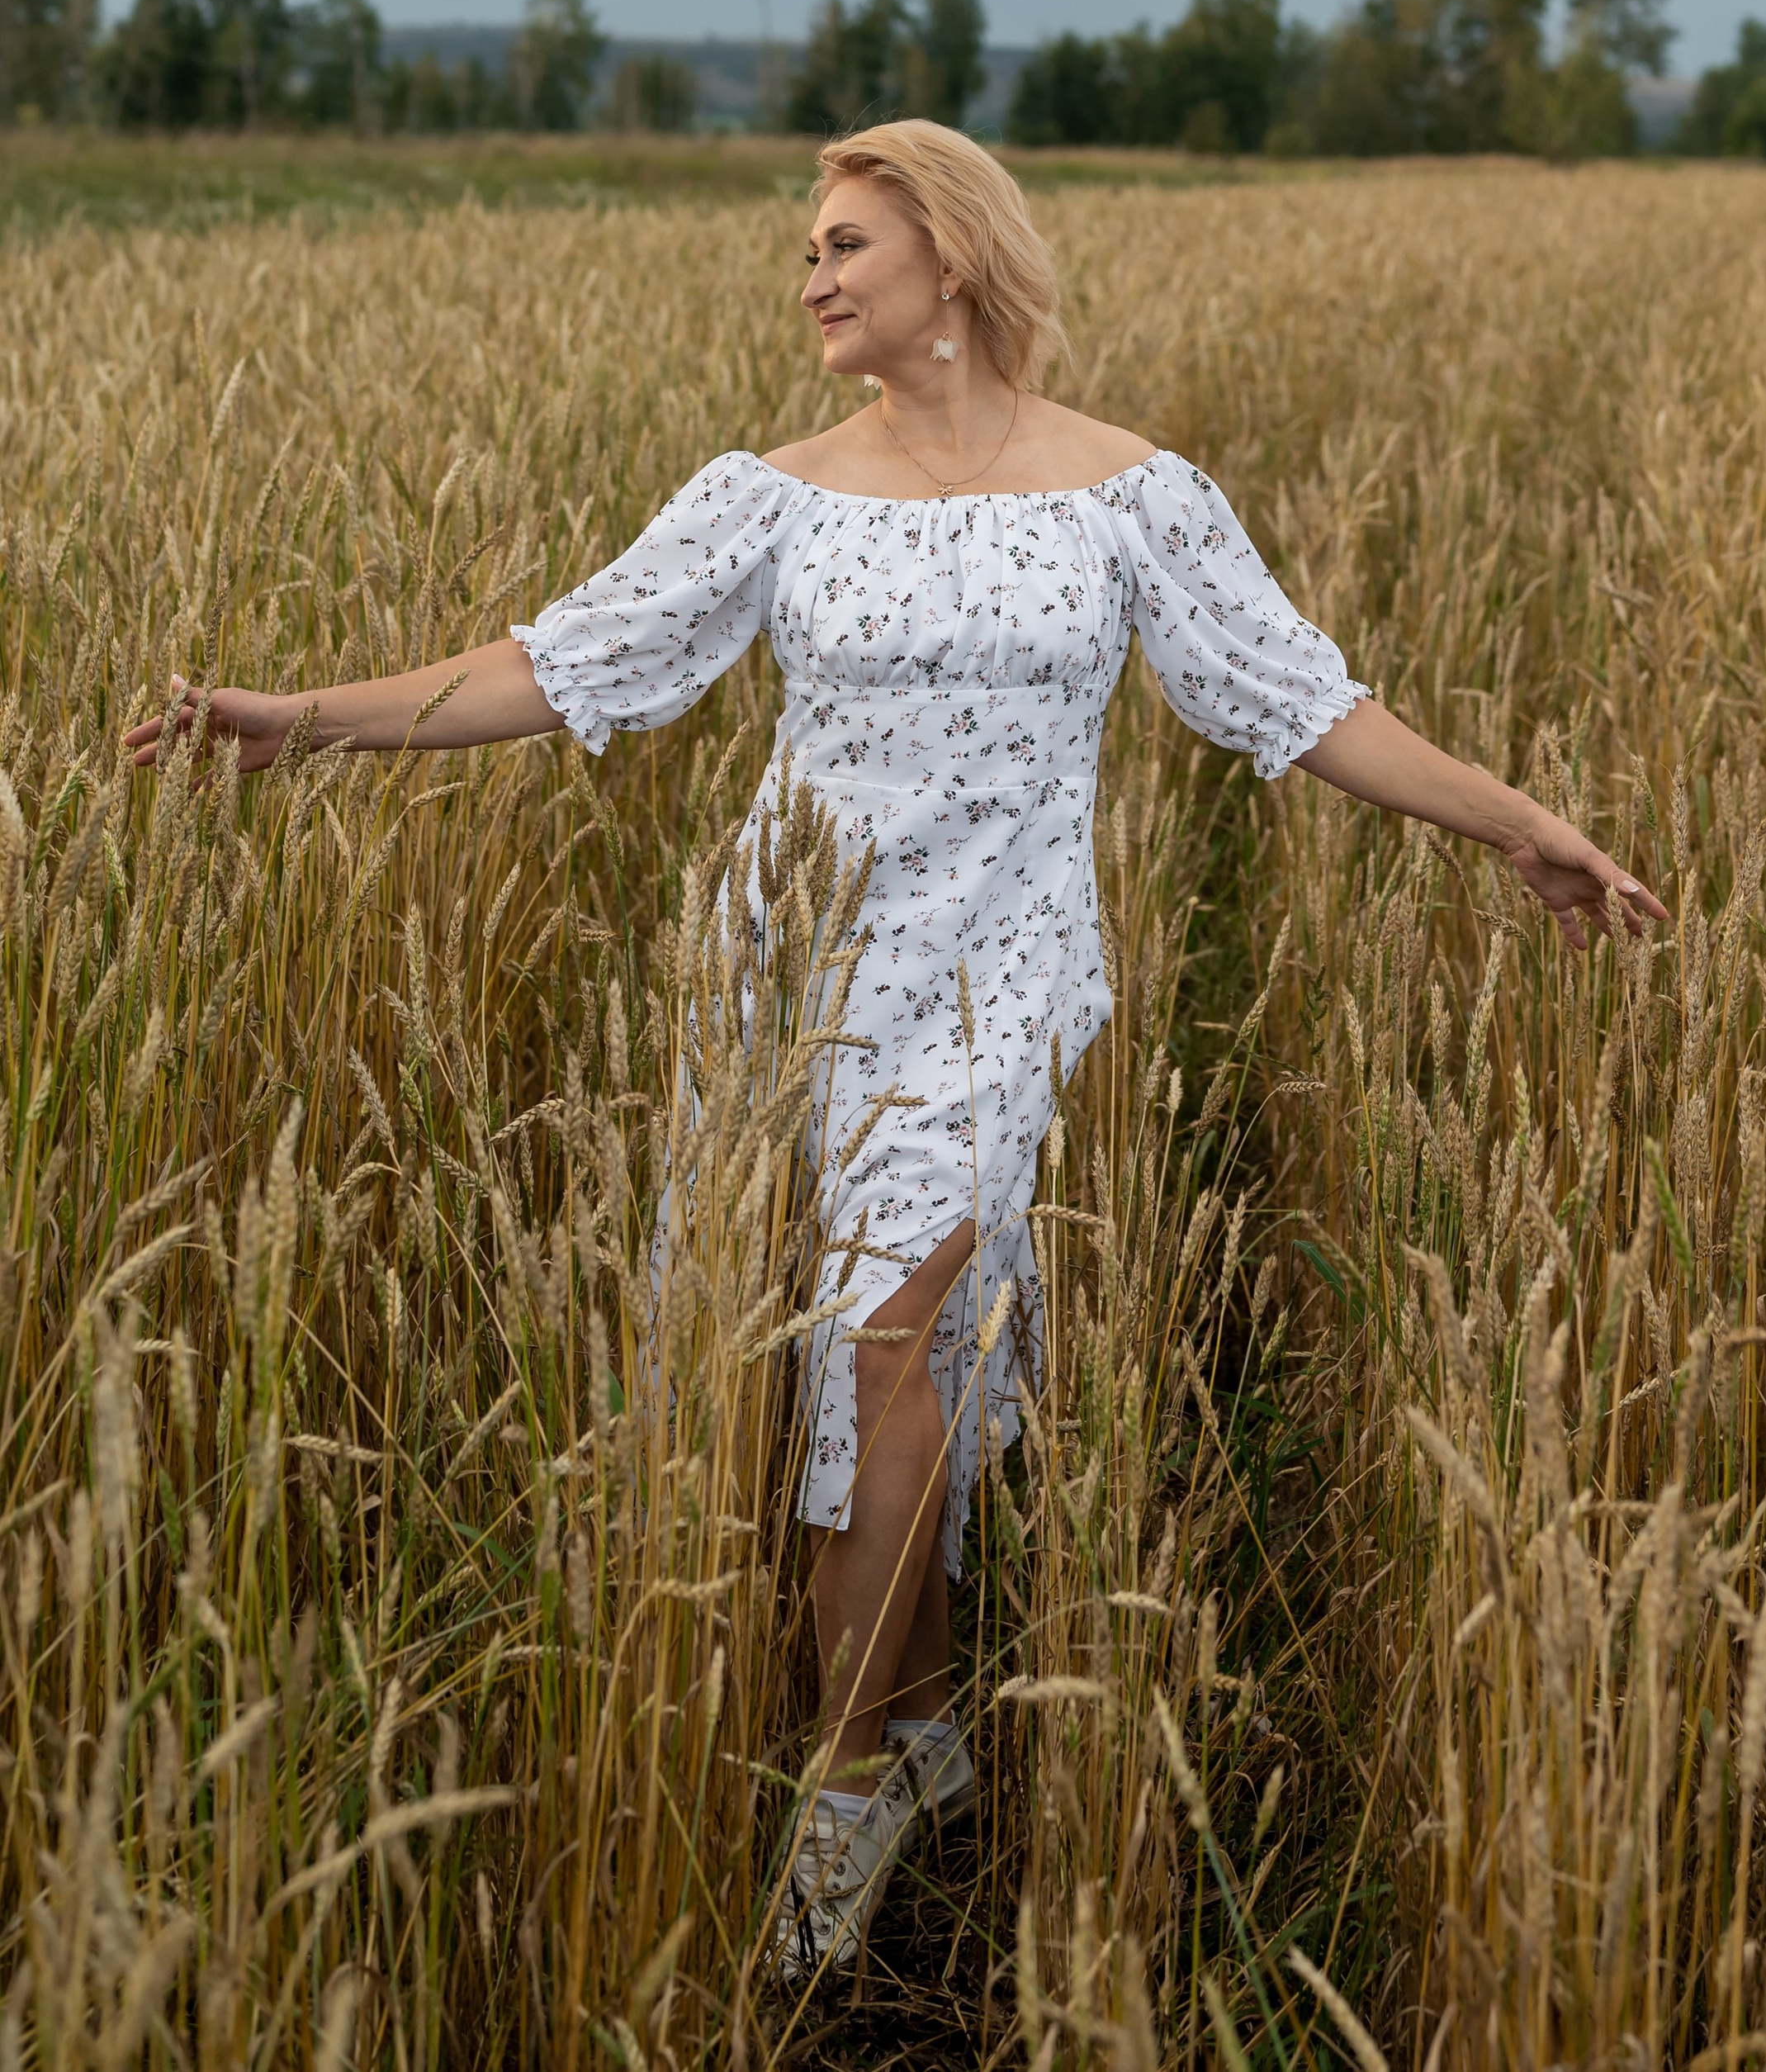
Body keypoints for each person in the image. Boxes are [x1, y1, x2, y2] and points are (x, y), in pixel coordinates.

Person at [130, 120, 1666, 1976]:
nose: (812, 278)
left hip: (1000, 972)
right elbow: (556, 665)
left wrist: (1515, 822)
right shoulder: (769, 498)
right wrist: (299, 720)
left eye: (845, 243)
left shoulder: (1131, 496)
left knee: (873, 1342)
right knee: (843, 1361)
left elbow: (1304, 701)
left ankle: (846, 1779)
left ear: (953, 251)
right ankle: (928, 1719)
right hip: (791, 964)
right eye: (807, 249)